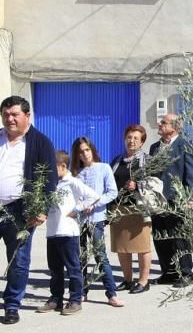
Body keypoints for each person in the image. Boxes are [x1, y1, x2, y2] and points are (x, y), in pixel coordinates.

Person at [0, 95, 58, 325]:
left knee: (18, 260)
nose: (9, 119)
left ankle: (12, 305)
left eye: (14, 114)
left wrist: (42, 209)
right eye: (5, 114)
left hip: (20, 210)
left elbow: (50, 179)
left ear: (27, 116)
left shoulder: (40, 142)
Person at [37, 151, 100, 316]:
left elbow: (93, 196)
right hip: (52, 232)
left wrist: (77, 209)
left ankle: (75, 299)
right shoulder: (50, 184)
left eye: (52, 168)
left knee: (73, 268)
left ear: (62, 166)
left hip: (67, 232)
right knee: (55, 269)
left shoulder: (72, 182)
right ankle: (56, 298)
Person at [71, 136, 124, 307]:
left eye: (87, 150)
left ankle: (111, 293)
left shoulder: (103, 168)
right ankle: (81, 292)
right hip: (79, 221)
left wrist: (94, 204)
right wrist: (78, 207)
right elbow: (72, 197)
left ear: (92, 150)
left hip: (97, 219)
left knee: (100, 256)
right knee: (80, 257)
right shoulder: (75, 174)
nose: (85, 154)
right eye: (81, 152)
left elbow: (112, 192)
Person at [150, 114, 193, 287]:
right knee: (161, 237)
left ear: (175, 127)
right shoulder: (155, 147)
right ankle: (168, 273)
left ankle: (186, 273)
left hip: (177, 199)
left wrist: (191, 198)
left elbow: (192, 174)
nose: (159, 124)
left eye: (163, 122)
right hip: (157, 201)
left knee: (179, 238)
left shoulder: (184, 146)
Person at [109, 125, 154, 294]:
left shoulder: (147, 161)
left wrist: (138, 185)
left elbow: (154, 183)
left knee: (142, 247)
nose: (131, 141)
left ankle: (143, 281)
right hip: (119, 208)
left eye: (136, 138)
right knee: (122, 247)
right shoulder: (116, 161)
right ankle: (128, 280)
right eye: (129, 137)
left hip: (139, 208)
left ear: (142, 142)